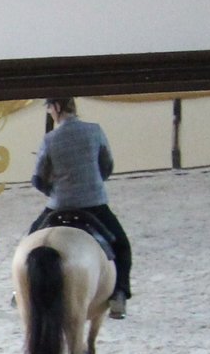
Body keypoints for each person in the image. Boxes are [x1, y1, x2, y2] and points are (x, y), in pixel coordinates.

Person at [29, 97, 133, 316]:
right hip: (94, 204)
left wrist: (53, 192)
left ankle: (22, 292)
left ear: (56, 107)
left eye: (49, 108)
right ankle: (119, 294)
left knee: (30, 242)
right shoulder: (95, 131)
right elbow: (107, 164)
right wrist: (93, 183)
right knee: (122, 246)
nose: (49, 112)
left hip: (59, 206)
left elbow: (38, 178)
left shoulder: (50, 139)